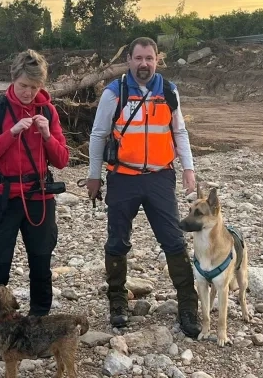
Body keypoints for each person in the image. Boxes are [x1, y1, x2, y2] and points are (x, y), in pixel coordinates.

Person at [85, 37, 201, 338]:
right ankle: (117, 302)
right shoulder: (115, 92)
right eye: (138, 58)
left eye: (149, 58)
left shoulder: (169, 92)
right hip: (122, 177)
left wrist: (189, 170)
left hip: (160, 177)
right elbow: (98, 135)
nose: (144, 64)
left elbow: (180, 133)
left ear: (157, 60)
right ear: (129, 61)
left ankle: (189, 306)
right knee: (117, 242)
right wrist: (94, 176)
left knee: (174, 240)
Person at [0, 49, 69, 365]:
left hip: (39, 198)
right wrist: (10, 134)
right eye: (24, 85)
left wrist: (45, 133)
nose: (29, 93)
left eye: (35, 87)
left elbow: (62, 160)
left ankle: (38, 331)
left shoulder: (49, 112)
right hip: (2, 200)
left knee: (41, 265)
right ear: (13, 79)